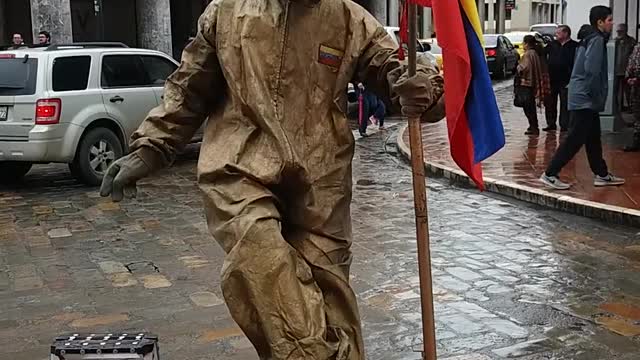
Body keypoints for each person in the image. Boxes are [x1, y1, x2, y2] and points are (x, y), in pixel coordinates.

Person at [99, 1, 445, 359]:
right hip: (240, 168)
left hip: (321, 180)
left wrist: (423, 87)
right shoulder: (226, 13)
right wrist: (152, 146)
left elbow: (395, 68)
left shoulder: (348, 18)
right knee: (261, 259)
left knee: (331, 301)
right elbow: (189, 87)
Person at [541, 6, 625, 190]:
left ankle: (601, 174)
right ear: (600, 22)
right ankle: (550, 173)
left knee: (593, 138)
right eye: (610, 20)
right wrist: (596, 96)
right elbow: (592, 71)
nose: (612, 24)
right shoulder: (596, 40)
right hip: (585, 98)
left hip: (584, 97)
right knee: (575, 138)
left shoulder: (589, 38)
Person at [544, 25, 578, 132]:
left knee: (565, 103)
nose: (556, 35)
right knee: (550, 103)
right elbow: (542, 53)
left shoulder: (574, 46)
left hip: (566, 79)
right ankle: (551, 123)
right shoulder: (552, 45)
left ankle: (564, 124)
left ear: (566, 33)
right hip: (552, 78)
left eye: (558, 33)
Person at [517, 35, 550, 135]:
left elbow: (524, 67)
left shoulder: (528, 54)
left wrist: (518, 67)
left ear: (526, 43)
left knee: (528, 106)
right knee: (530, 106)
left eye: (524, 43)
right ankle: (533, 126)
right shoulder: (535, 53)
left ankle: (533, 126)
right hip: (532, 83)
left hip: (526, 83)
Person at [615, 23, 636, 112]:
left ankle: (631, 108)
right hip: (616, 69)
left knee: (628, 91)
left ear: (625, 31)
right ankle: (617, 107)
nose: (619, 33)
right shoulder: (614, 41)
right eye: (618, 31)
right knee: (616, 90)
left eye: (621, 31)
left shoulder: (631, 41)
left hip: (627, 70)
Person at [624, 42, 640, 151]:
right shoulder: (637, 47)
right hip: (636, 86)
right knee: (637, 114)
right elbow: (631, 62)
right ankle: (637, 141)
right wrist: (629, 77)